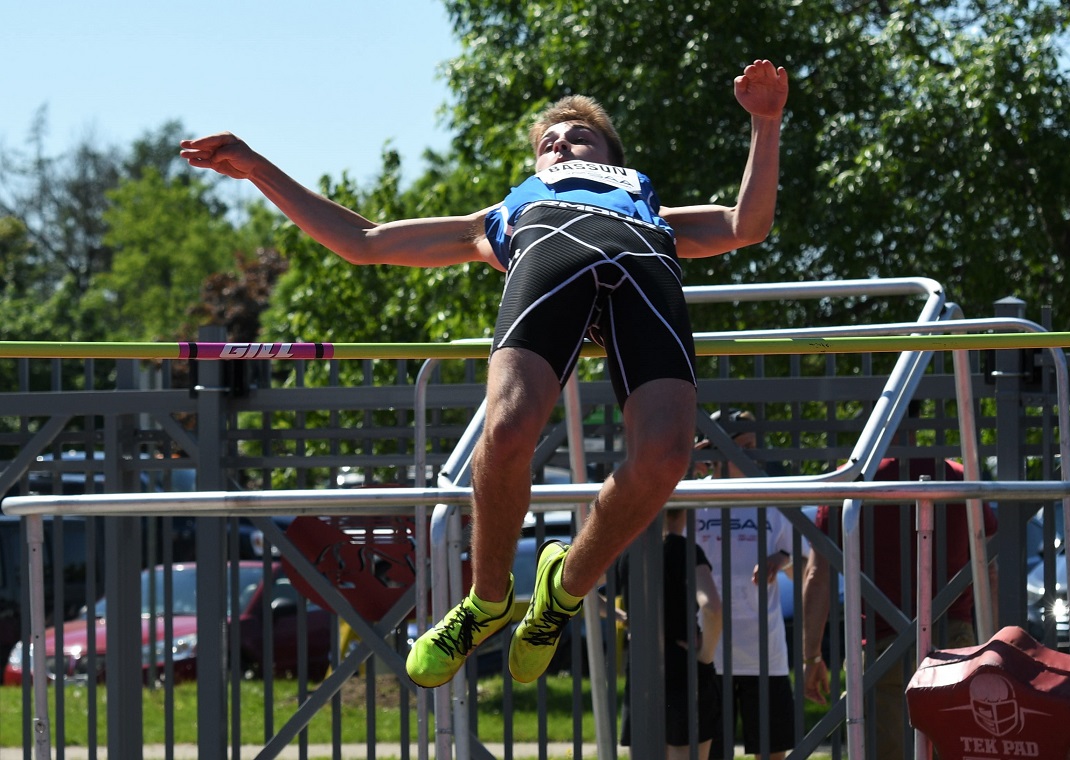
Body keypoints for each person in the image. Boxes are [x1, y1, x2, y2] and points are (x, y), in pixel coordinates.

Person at [181, 58, 788, 688]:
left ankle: (563, 589)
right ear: (537, 167)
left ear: (611, 154)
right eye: (549, 141)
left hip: (643, 271)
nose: (562, 142)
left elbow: (748, 224)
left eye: (580, 135)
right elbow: (364, 241)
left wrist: (765, 123)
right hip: (550, 257)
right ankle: (486, 602)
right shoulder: (504, 214)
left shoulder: (648, 205)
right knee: (505, 431)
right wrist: (256, 169)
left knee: (665, 459)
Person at [801, 451, 999, 760]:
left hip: (882, 641)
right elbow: (986, 569)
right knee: (957, 748)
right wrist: (992, 646)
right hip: (955, 637)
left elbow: (818, 575)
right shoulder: (960, 478)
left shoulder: (852, 481)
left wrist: (811, 656)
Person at [692, 410, 797, 760]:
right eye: (744, 446)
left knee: (772, 751)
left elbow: (805, 565)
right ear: (717, 448)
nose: (753, 454)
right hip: (710, 652)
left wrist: (782, 560)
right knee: (710, 751)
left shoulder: (771, 495)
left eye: (755, 445)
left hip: (764, 652)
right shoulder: (695, 499)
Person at [616, 509, 724, 759]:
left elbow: (589, 590)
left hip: (642, 666)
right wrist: (705, 655)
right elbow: (712, 608)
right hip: (681, 664)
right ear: (685, 511)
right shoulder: (685, 550)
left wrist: (622, 616)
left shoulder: (628, 550)